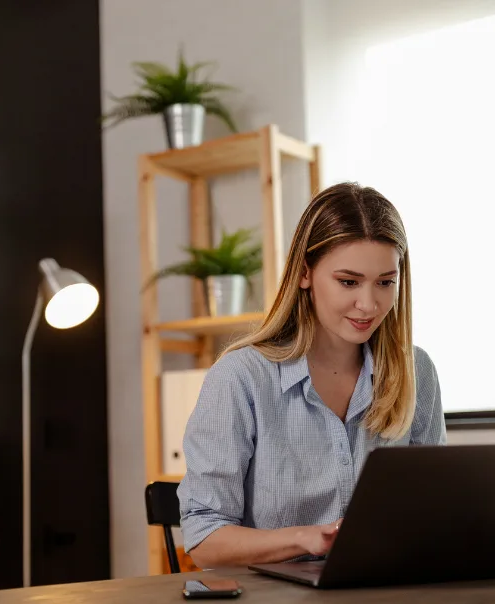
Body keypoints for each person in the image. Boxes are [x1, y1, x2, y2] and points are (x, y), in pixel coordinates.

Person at [177, 182, 446, 569]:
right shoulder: (241, 379)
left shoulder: (416, 371)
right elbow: (204, 538)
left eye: (386, 282)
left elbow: (432, 510)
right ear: (305, 273)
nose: (369, 304)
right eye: (348, 282)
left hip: (387, 601)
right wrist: (305, 538)